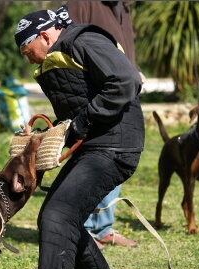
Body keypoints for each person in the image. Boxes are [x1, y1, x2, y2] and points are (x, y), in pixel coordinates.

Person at [14, 5, 144, 269]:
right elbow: (75, 109)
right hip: (92, 146)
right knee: (52, 217)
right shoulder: (53, 58)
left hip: (116, 144)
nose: (28, 59)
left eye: (27, 51)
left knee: (60, 216)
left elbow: (126, 81)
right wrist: (43, 137)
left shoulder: (83, 41)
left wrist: (84, 121)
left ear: (44, 35)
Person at [66, 1, 145, 250]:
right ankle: (87, 229)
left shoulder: (123, 7)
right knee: (96, 159)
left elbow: (124, 48)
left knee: (116, 156)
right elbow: (68, 40)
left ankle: (102, 228)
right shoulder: (83, 3)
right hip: (98, 91)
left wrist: (134, 69)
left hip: (123, 87)